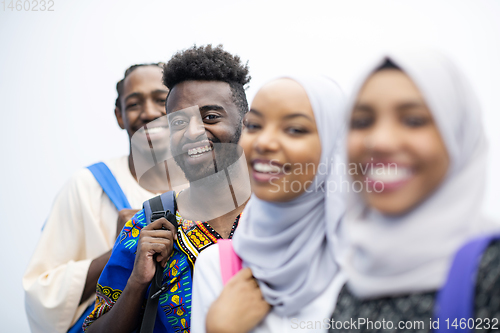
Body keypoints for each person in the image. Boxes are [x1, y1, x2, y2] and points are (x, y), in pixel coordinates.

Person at [83, 44, 252, 333]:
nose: (193, 133)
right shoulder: (147, 225)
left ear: (246, 124)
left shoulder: (282, 214)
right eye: (178, 122)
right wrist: (138, 282)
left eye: (211, 117)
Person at [330, 51, 500, 332]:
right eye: (362, 121)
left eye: (413, 120)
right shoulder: (354, 281)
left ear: (459, 135)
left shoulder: (489, 273)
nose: (380, 142)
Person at [23, 63, 179, 333]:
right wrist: (119, 250)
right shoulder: (86, 185)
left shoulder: (203, 186)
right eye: (133, 104)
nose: (149, 112)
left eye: (161, 100)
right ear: (119, 116)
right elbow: (40, 294)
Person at [190, 76, 347, 333]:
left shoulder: (369, 262)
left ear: (335, 144)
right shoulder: (218, 266)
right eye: (254, 125)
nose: (264, 143)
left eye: (294, 129)